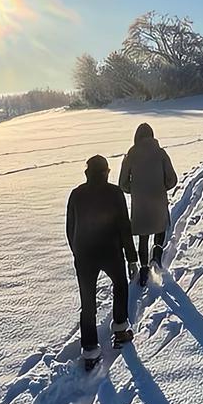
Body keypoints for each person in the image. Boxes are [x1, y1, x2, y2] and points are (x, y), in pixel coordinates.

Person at [66, 155, 138, 365]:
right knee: (120, 285)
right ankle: (120, 329)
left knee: (87, 303)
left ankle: (89, 350)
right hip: (111, 252)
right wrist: (131, 259)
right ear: (106, 172)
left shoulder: (76, 194)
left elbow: (70, 228)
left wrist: (77, 252)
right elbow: (125, 227)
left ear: (87, 172)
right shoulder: (114, 193)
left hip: (84, 255)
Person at [119, 122, 178, 287]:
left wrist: (136, 189)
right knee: (160, 226)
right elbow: (172, 179)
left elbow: (122, 184)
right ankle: (157, 255)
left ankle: (144, 267)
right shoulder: (161, 154)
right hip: (158, 198)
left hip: (140, 203)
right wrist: (161, 186)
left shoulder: (130, 156)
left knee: (143, 235)